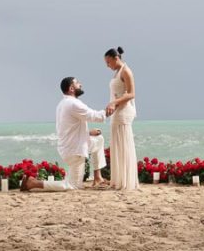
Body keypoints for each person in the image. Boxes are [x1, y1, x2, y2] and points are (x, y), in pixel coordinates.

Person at [21, 77, 108, 191]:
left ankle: (98, 178)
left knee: (98, 140)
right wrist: (114, 106)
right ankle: (33, 183)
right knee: (74, 186)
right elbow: (96, 116)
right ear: (71, 88)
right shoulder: (73, 104)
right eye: (77, 83)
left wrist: (88, 132)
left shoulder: (62, 104)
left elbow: (69, 128)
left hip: (71, 146)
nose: (80, 84)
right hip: (74, 150)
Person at [105, 47, 139, 191]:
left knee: (123, 144)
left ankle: (126, 180)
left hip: (123, 111)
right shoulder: (117, 73)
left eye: (108, 62)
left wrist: (114, 102)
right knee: (117, 144)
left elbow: (131, 94)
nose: (107, 65)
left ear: (115, 58)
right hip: (117, 111)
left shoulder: (126, 71)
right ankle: (118, 179)